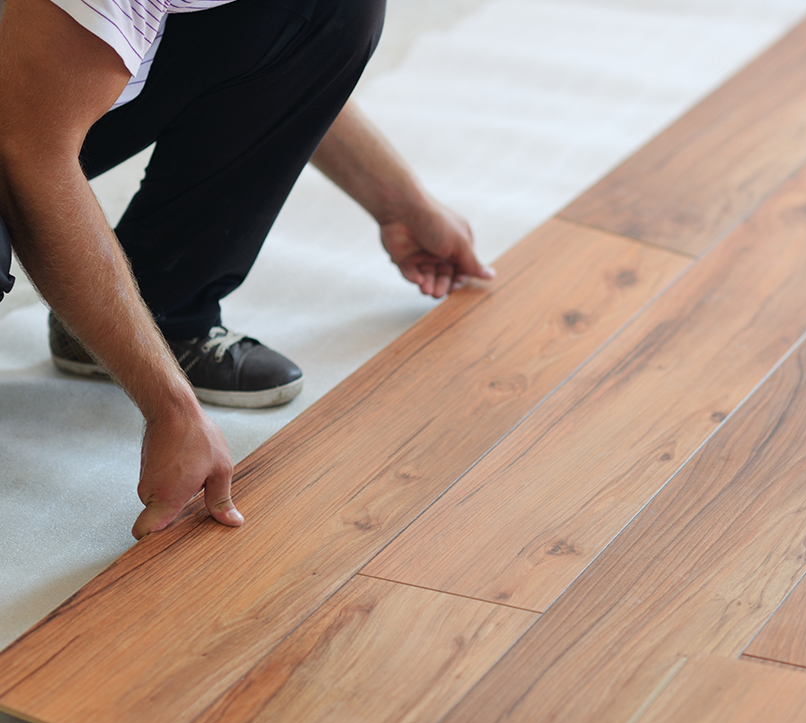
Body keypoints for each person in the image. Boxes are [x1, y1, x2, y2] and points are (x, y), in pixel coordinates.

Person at [0, 0, 494, 539]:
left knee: (329, 10)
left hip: (30, 71)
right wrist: (171, 409)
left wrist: (400, 202)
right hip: (20, 105)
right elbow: (28, 146)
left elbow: (280, 41)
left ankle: (158, 310)